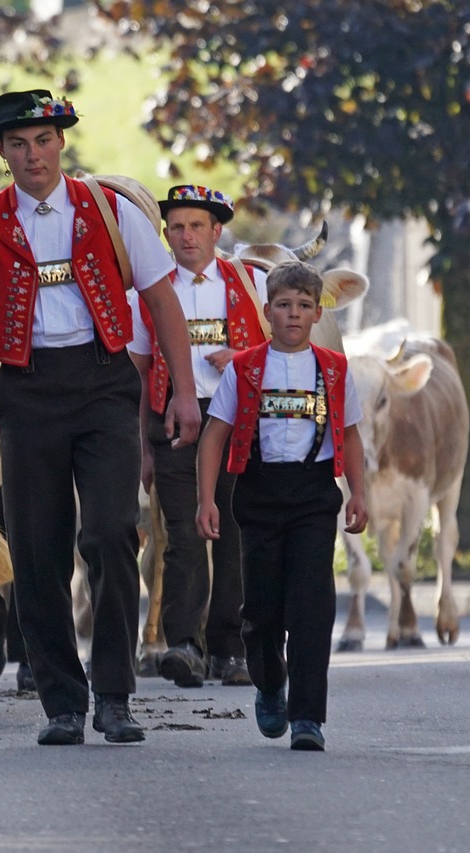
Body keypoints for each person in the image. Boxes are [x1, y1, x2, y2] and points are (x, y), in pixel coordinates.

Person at [0, 88, 200, 746]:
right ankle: (63, 700)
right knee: (37, 550)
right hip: (27, 392)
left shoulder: (110, 210)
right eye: (19, 143)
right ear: (3, 153)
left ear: (62, 143)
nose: (33, 154)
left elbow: (161, 300)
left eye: (44, 140)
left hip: (104, 384)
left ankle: (113, 693)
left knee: (113, 532)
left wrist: (182, 391)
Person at [196, 259, 368, 751]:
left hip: (314, 495)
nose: (294, 314)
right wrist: (206, 499)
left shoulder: (335, 370)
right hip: (260, 493)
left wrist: (358, 492)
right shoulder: (245, 367)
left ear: (318, 314)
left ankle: (308, 717)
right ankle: (270, 684)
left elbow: (351, 434)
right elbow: (215, 437)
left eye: (305, 306)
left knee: (312, 608)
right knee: (262, 610)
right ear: (267, 310)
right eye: (285, 306)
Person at [128, 185, 268, 688]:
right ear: (166, 234)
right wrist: (143, 445)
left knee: (234, 533)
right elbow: (140, 373)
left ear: (218, 232)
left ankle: (230, 649)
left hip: (238, 423)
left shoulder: (252, 284)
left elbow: (285, 352)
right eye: (178, 227)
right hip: (173, 423)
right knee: (183, 535)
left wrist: (243, 359)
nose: (187, 236)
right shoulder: (148, 290)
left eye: (197, 226)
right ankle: (184, 644)